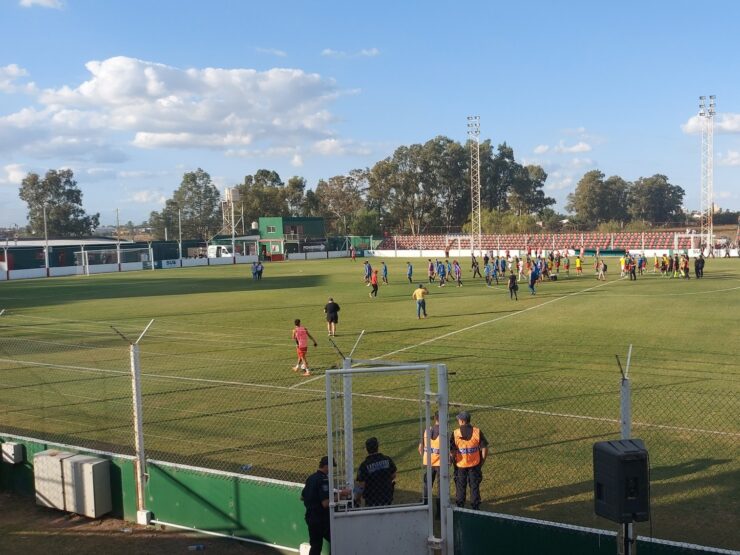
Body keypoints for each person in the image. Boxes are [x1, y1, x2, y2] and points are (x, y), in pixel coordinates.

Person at [450, 411, 488, 510]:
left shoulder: (455, 433)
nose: (458, 420)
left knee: (460, 485)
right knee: (474, 485)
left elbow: (452, 451)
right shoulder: (477, 431)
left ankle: (460, 505)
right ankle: (475, 507)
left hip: (460, 465)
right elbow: (484, 448)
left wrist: (451, 461)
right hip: (474, 464)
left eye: (458, 419)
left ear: (462, 421)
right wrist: (482, 461)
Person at [301, 456, 332, 555]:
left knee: (315, 546)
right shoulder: (323, 479)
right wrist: (339, 495)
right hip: (321, 519)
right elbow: (325, 503)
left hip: (310, 517)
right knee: (337, 541)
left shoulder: (311, 477)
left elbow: (302, 497)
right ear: (326, 466)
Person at [355, 437, 397, 507]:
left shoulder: (364, 465)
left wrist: (357, 498)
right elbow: (394, 474)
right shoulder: (387, 459)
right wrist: (384, 481)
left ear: (366, 449)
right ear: (378, 447)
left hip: (372, 499)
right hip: (386, 497)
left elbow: (361, 485)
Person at [419, 412, 441, 508]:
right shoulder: (445, 432)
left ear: (434, 418)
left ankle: (425, 505)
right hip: (440, 463)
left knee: (427, 484)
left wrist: (425, 456)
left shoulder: (427, 431)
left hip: (428, 462)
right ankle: (439, 510)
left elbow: (420, 448)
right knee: (441, 487)